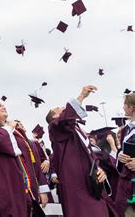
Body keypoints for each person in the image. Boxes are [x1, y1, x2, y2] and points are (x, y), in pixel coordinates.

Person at [46, 85, 116, 216]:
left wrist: (100, 170)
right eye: (58, 108)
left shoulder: (77, 131)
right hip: (76, 185)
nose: (62, 107)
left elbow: (90, 155)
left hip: (91, 183)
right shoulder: (55, 128)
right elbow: (64, 120)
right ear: (54, 117)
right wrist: (82, 96)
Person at [115, 92, 135, 215]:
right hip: (126, 181)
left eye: (125, 104)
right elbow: (120, 151)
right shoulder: (125, 130)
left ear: (131, 107)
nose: (123, 107)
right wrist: (119, 156)